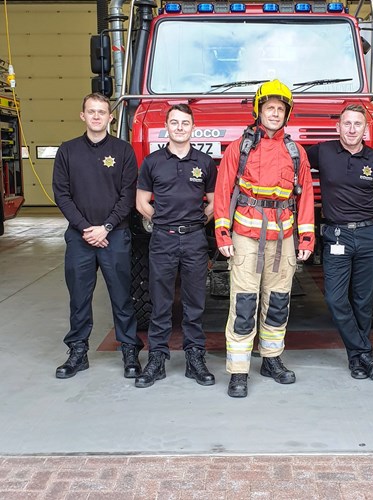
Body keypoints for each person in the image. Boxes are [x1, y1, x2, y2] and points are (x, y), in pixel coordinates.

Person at [214, 79, 315, 398]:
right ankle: (239, 371)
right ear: (259, 110)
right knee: (244, 302)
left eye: (280, 108)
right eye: (270, 107)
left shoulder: (295, 151)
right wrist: (222, 232)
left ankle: (271, 359)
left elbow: (306, 196)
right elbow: (222, 189)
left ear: (288, 114)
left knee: (278, 301)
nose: (275, 113)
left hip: (283, 236)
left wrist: (306, 238)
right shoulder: (240, 147)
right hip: (246, 235)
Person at [52, 92, 142, 379]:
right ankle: (78, 352)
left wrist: (107, 227)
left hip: (114, 236)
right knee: (79, 298)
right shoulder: (67, 151)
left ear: (110, 117)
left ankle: (129, 351)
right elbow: (62, 195)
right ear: (82, 115)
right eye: (91, 111)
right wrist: (85, 229)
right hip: (80, 238)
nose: (96, 116)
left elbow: (128, 195)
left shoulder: (124, 151)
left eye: (101, 112)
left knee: (121, 297)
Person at [307, 104, 373, 380]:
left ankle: (357, 360)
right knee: (334, 298)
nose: (352, 129)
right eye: (347, 123)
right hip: (337, 236)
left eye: (358, 124)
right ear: (338, 127)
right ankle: (364, 350)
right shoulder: (323, 152)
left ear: (365, 129)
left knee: (363, 300)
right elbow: (290, 158)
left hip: (369, 235)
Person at [135, 104, 217, 388]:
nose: (179, 127)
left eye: (185, 123)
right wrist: (162, 221)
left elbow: (214, 201)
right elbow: (141, 201)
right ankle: (156, 359)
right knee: (161, 302)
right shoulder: (153, 161)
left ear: (192, 127)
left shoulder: (205, 163)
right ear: (166, 127)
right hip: (162, 238)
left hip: (195, 239)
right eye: (174, 123)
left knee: (195, 303)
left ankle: (195, 358)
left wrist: (196, 222)